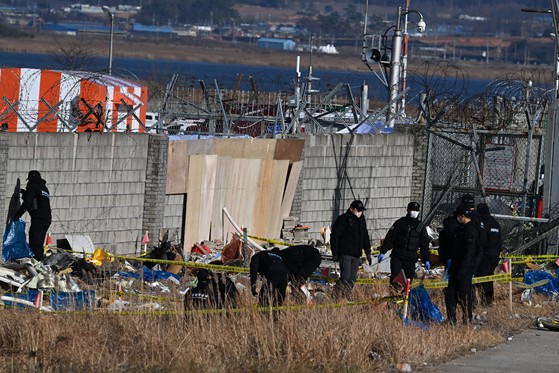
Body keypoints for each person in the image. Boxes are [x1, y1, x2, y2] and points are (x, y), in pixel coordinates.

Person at [378, 202, 431, 290]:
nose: (414, 212)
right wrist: (383, 251)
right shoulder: (400, 223)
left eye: (416, 210)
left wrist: (427, 259)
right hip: (397, 256)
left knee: (408, 282)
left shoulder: (420, 227)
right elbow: (390, 238)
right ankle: (393, 299)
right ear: (408, 210)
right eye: (412, 210)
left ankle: (404, 301)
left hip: (410, 258)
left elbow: (424, 245)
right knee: (395, 280)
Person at [445, 204, 481, 324]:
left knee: (464, 295)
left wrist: (465, 267)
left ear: (462, 216)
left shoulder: (471, 230)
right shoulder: (461, 229)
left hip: (464, 268)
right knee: (450, 293)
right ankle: (451, 319)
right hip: (456, 266)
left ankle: (467, 318)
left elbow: (469, 252)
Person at [330, 199, 372, 300]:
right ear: (351, 209)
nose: (360, 213)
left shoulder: (362, 220)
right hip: (345, 253)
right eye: (358, 210)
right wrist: (335, 253)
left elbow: (365, 236)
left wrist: (368, 252)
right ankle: (335, 296)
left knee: (352, 279)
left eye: (361, 211)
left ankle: (346, 296)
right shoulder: (343, 219)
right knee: (345, 277)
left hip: (356, 254)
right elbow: (335, 237)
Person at [13, 170, 52, 261]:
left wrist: (17, 215)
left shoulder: (33, 186)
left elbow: (28, 202)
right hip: (46, 219)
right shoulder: (44, 188)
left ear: (30, 179)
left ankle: (36, 263)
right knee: (39, 242)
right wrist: (25, 193)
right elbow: (37, 200)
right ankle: (38, 260)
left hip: (38, 219)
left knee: (35, 243)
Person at [474, 203, 502, 306]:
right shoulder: (495, 223)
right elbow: (500, 241)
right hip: (494, 256)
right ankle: (488, 300)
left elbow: (481, 240)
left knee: (482, 278)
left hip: (485, 255)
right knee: (489, 277)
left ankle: (485, 301)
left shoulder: (483, 223)